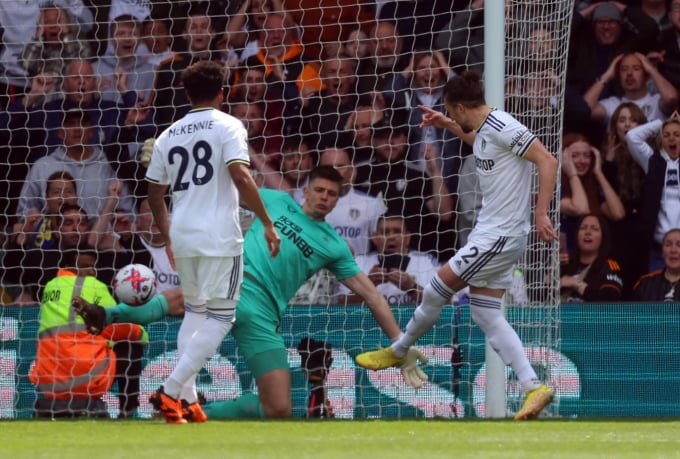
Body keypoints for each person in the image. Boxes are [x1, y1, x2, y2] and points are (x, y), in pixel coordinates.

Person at [73, 166, 422, 420]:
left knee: (279, 408)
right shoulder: (274, 201)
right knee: (184, 298)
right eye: (319, 191)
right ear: (307, 191)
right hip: (235, 280)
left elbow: (373, 296)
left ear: (336, 201)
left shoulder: (333, 245)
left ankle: (194, 411)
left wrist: (400, 345)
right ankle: (108, 315)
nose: (324, 198)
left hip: (264, 314)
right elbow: (225, 187)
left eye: (331, 194)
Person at [354, 70, 559, 421]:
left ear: (461, 106)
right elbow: (477, 138)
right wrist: (447, 124)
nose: (452, 117)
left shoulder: (505, 125)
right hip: (496, 235)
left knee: (435, 289)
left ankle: (400, 349)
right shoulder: (486, 131)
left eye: (451, 111)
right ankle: (532, 386)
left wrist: (541, 213)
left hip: (499, 235)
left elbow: (548, 160)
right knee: (486, 313)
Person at [145, 60, 280, 424]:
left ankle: (186, 402)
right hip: (219, 234)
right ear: (224, 91)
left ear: (187, 94)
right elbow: (240, 174)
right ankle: (170, 390)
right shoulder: (229, 125)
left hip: (184, 234)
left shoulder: (168, 134)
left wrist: (167, 235)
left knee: (195, 312)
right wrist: (267, 222)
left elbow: (154, 194)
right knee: (222, 317)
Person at [30, 247, 148, 418]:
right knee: (130, 345)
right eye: (85, 266)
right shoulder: (94, 285)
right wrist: (140, 333)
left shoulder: (49, 286)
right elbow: (115, 326)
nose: (92, 271)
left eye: (93, 266)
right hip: (86, 379)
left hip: (50, 382)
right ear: (68, 266)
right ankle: (127, 412)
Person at [336, 213, 440, 305]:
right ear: (375, 238)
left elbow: (442, 301)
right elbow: (340, 306)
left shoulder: (427, 262)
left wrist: (411, 287)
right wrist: (368, 284)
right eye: (385, 232)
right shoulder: (358, 263)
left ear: (407, 238)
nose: (391, 237)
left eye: (397, 231)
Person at [626, 112, 680, 271]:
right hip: (658, 248)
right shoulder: (653, 160)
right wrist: (661, 123)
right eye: (666, 135)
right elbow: (632, 137)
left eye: (677, 135)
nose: (671, 139)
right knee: (655, 293)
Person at [559, 214, 624, 302]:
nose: (588, 232)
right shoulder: (565, 263)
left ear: (603, 238)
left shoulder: (609, 266)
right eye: (583, 228)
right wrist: (552, 271)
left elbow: (609, 302)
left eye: (594, 229)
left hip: (590, 315)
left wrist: (577, 284)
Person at [633, 228, 680, 302]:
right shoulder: (645, 283)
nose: (673, 250)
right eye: (668, 245)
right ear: (662, 252)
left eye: (679, 245)